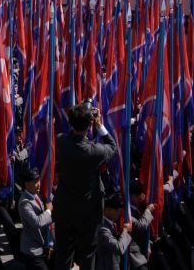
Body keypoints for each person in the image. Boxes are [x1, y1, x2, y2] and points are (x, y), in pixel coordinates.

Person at [52, 102, 119, 270]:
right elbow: (112, 146)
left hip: (65, 209)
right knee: (88, 254)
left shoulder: (61, 142)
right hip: (88, 212)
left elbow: (68, 135)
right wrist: (100, 125)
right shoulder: (95, 151)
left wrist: (82, 118)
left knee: (63, 254)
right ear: (89, 125)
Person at [19, 168, 53, 270]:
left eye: (38, 181)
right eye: (35, 182)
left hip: (43, 246)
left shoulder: (38, 194)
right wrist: (49, 211)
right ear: (27, 184)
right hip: (32, 250)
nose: (38, 184)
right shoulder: (24, 202)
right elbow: (36, 222)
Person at [96, 193, 132, 270]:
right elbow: (118, 248)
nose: (120, 211)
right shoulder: (103, 228)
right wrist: (125, 232)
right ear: (107, 210)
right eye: (117, 209)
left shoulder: (111, 224)